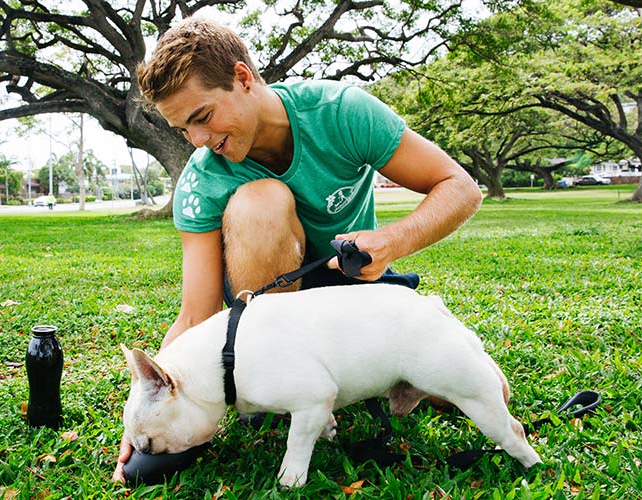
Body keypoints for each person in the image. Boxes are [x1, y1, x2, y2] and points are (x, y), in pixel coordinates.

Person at [113, 18, 482, 483]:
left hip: (352, 291)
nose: (198, 140)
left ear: (243, 78)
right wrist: (145, 417)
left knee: (467, 392)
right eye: (183, 128)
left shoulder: (340, 112)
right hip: (268, 305)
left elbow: (460, 187)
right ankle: (277, 391)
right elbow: (195, 315)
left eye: (202, 117)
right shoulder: (202, 178)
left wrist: (391, 241)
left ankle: (352, 380)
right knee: (260, 200)